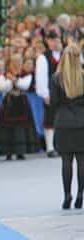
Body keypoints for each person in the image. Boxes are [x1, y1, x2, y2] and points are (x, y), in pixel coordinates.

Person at [50, 44, 84, 210]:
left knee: (66, 161)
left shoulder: (56, 78)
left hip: (63, 123)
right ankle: (80, 194)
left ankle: (67, 195)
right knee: (82, 161)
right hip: (81, 123)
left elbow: (54, 103)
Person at [36, 31, 63, 158]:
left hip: (65, 93)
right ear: (48, 41)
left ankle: (62, 145)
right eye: (52, 40)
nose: (55, 42)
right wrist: (44, 94)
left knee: (63, 119)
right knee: (50, 120)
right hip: (51, 93)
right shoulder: (43, 57)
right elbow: (40, 77)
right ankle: (50, 147)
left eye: (57, 39)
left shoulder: (65, 55)